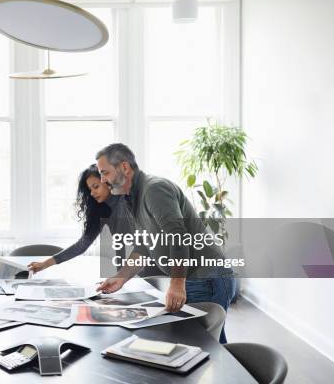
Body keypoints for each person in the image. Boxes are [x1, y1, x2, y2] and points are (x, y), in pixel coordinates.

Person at [95, 143, 235, 343]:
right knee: (200, 347)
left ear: (124, 168)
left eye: (105, 172)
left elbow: (178, 235)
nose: (102, 180)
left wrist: (177, 284)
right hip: (195, 278)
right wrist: (121, 277)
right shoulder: (133, 198)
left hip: (205, 278)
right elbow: (144, 246)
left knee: (205, 348)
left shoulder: (155, 189)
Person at [27, 164, 118, 274]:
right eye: (90, 189)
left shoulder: (130, 201)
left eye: (96, 186)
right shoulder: (101, 210)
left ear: (108, 182)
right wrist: (44, 264)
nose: (92, 193)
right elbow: (81, 245)